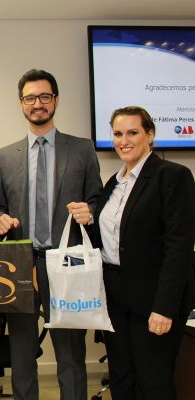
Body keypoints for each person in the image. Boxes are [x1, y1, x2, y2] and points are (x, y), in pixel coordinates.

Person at [0, 69, 102, 400]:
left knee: (70, 354)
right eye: (30, 98)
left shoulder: (82, 149)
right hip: (20, 265)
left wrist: (90, 212)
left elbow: (97, 200)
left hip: (66, 263)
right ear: (21, 103)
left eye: (44, 96)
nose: (37, 104)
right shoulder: (4, 156)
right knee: (22, 353)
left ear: (55, 100)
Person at [95, 106, 195, 400]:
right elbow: (115, 236)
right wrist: (88, 218)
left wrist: (165, 307)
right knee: (121, 378)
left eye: (132, 132)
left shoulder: (172, 176)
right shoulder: (114, 182)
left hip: (152, 298)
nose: (123, 140)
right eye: (117, 134)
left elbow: (179, 247)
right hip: (114, 296)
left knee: (153, 381)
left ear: (150, 134)